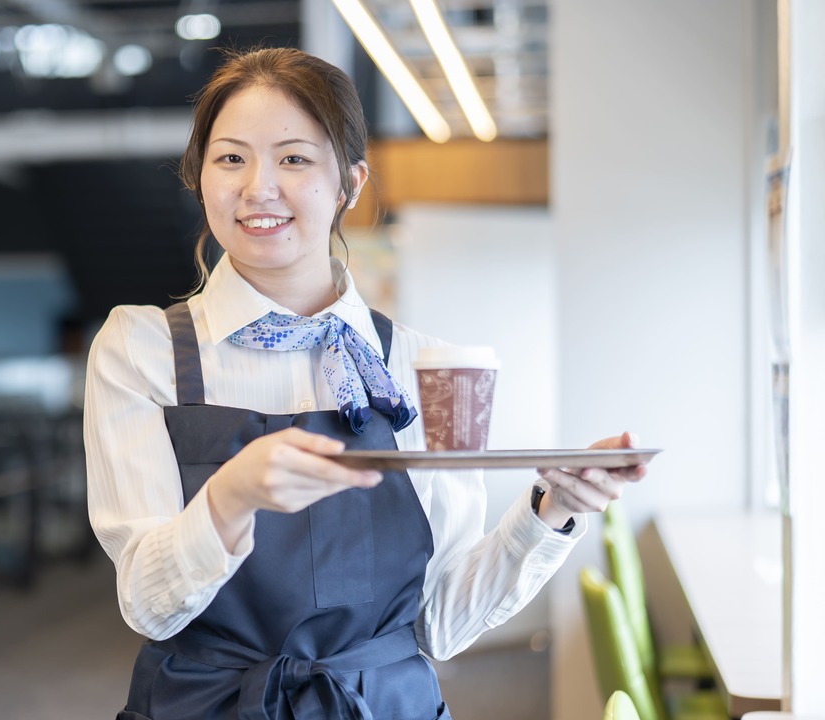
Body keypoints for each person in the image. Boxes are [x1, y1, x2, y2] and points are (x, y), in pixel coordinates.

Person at [84, 46, 646, 720]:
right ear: (199, 177)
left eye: (294, 158)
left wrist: (552, 511)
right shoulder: (142, 349)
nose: (259, 186)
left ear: (349, 183)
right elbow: (148, 604)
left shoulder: (422, 367)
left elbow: (441, 623)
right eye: (231, 157)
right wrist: (231, 495)